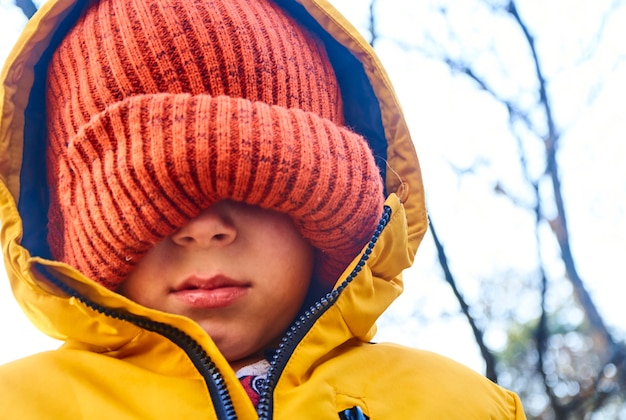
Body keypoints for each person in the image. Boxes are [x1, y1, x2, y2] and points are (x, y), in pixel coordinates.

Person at [0, 0, 526, 418]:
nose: (204, 228)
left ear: (329, 212)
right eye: (145, 195)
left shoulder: (460, 406)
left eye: (255, 180)